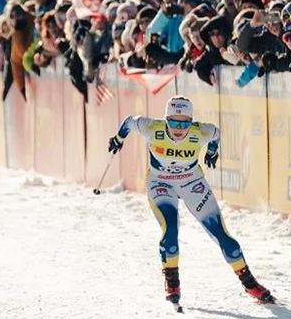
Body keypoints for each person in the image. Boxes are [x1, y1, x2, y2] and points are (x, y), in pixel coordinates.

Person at [108, 96, 274, 308]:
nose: (179, 129)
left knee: (224, 238)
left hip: (192, 182)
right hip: (161, 183)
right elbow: (130, 121)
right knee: (170, 232)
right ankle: (172, 284)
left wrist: (213, 151)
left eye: (184, 123)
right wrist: (118, 139)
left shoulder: (200, 132)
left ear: (191, 121)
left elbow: (216, 133)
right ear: (166, 119)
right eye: (174, 122)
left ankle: (250, 284)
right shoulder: (152, 128)